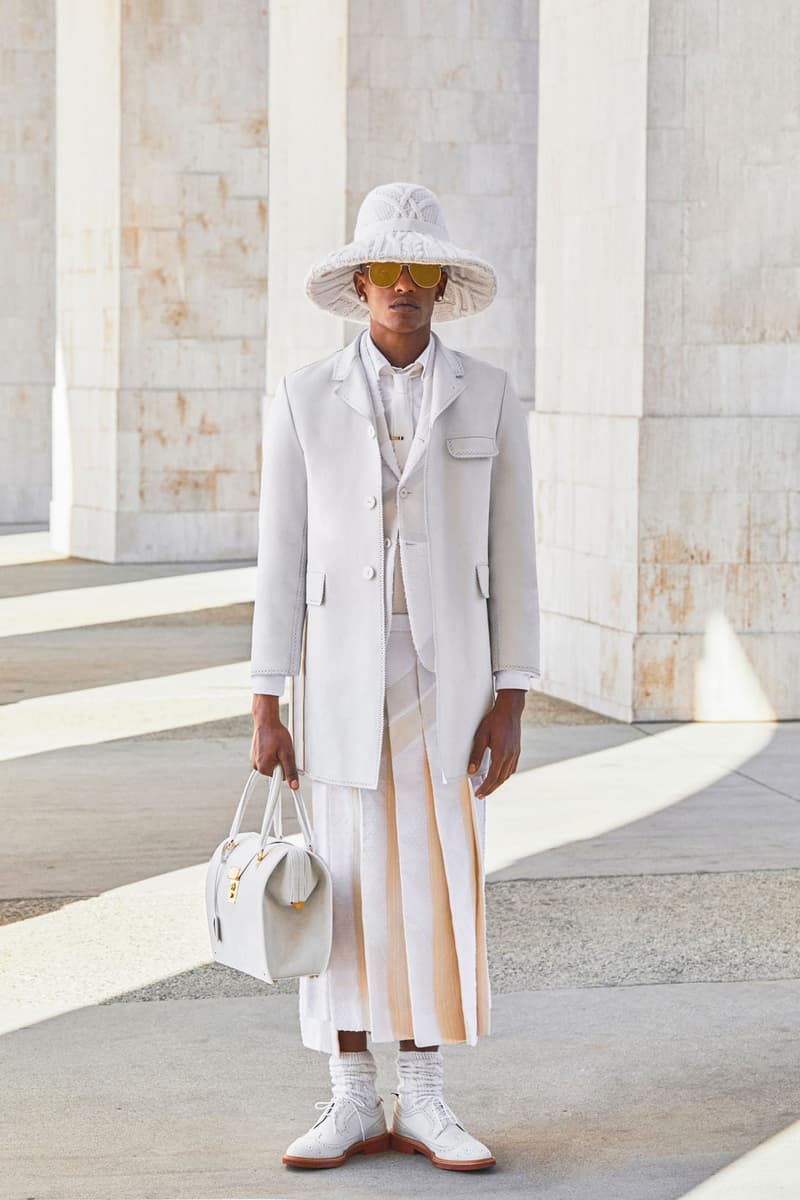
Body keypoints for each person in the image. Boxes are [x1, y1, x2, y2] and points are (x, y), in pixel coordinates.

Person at [249, 181, 541, 1171]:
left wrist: (511, 698)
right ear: (361, 279)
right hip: (335, 684)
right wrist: (262, 702)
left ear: (437, 284)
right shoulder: (301, 397)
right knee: (338, 886)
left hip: (447, 684)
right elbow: (278, 561)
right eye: (387, 268)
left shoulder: (490, 395)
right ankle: (346, 1097)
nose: (402, 285)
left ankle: (423, 1096)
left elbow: (513, 556)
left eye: (420, 269)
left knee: (432, 884)